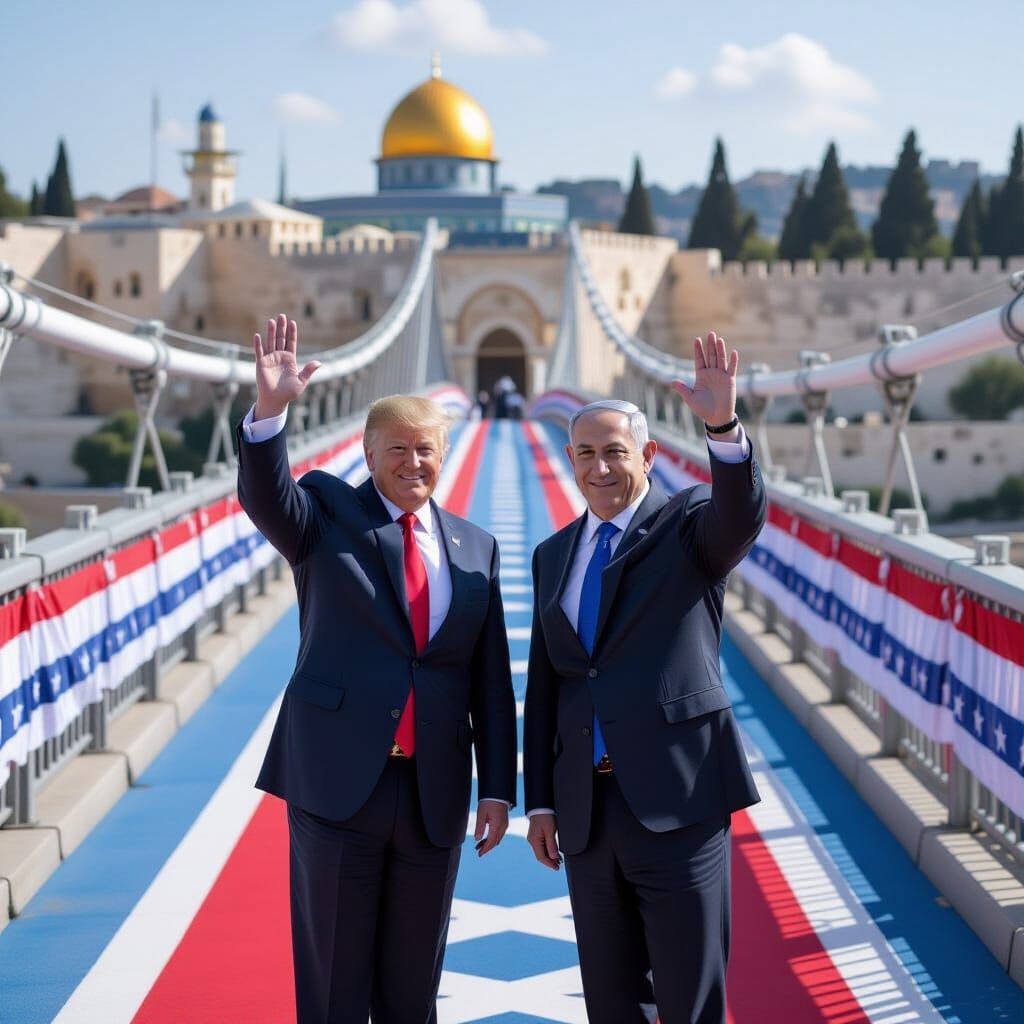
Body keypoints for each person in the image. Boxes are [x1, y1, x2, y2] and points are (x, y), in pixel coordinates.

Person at [236, 313, 517, 1024]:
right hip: (338, 783)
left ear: (443, 457)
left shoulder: (475, 547)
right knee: (334, 987)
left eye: (426, 452)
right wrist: (269, 414)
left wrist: (499, 789)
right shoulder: (326, 514)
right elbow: (267, 498)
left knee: (411, 990)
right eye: (398, 450)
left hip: (434, 793)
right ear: (368, 453)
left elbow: (489, 679)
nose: (413, 464)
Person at [523, 332, 766, 1023]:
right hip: (586, 813)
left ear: (649, 456)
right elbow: (548, 686)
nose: (601, 468)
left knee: (689, 998)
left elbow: (740, 517)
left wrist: (723, 428)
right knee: (611, 998)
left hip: (677, 800)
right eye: (587, 454)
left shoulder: (688, 524)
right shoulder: (552, 555)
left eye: (616, 452)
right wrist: (539, 801)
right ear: (570, 461)